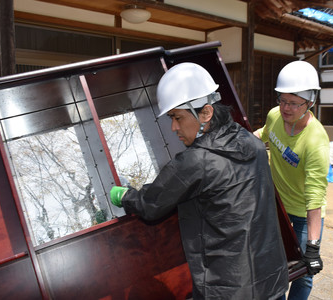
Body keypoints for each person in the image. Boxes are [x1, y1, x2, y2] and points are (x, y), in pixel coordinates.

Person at [110, 62, 288, 300]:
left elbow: (150, 204)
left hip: (228, 289)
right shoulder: (252, 143)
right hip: (272, 280)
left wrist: (123, 195)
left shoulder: (196, 161)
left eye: (177, 118)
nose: (173, 127)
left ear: (206, 112)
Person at [253, 61, 330, 300]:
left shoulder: (316, 141)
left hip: (304, 214)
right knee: (274, 264)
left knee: (303, 271)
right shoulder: (275, 116)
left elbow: (315, 197)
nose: (286, 108)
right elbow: (262, 135)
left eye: (294, 103)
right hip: (277, 206)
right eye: (282, 100)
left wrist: (313, 248)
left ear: (310, 103)